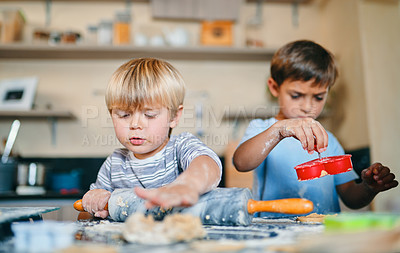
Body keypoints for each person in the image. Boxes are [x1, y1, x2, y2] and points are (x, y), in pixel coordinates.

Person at [233, 40, 398, 217]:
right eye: (296, 96)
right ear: (274, 88)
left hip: (323, 235)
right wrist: (279, 130)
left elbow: (350, 196)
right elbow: (241, 162)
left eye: (318, 97)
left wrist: (368, 188)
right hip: (272, 234)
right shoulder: (263, 129)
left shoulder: (330, 142)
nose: (307, 106)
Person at [82, 58, 222, 218]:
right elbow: (87, 218)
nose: (135, 124)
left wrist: (188, 184)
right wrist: (93, 202)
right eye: (124, 115)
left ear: (174, 116)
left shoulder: (180, 148)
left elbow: (208, 165)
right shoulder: (115, 164)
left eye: (149, 115)